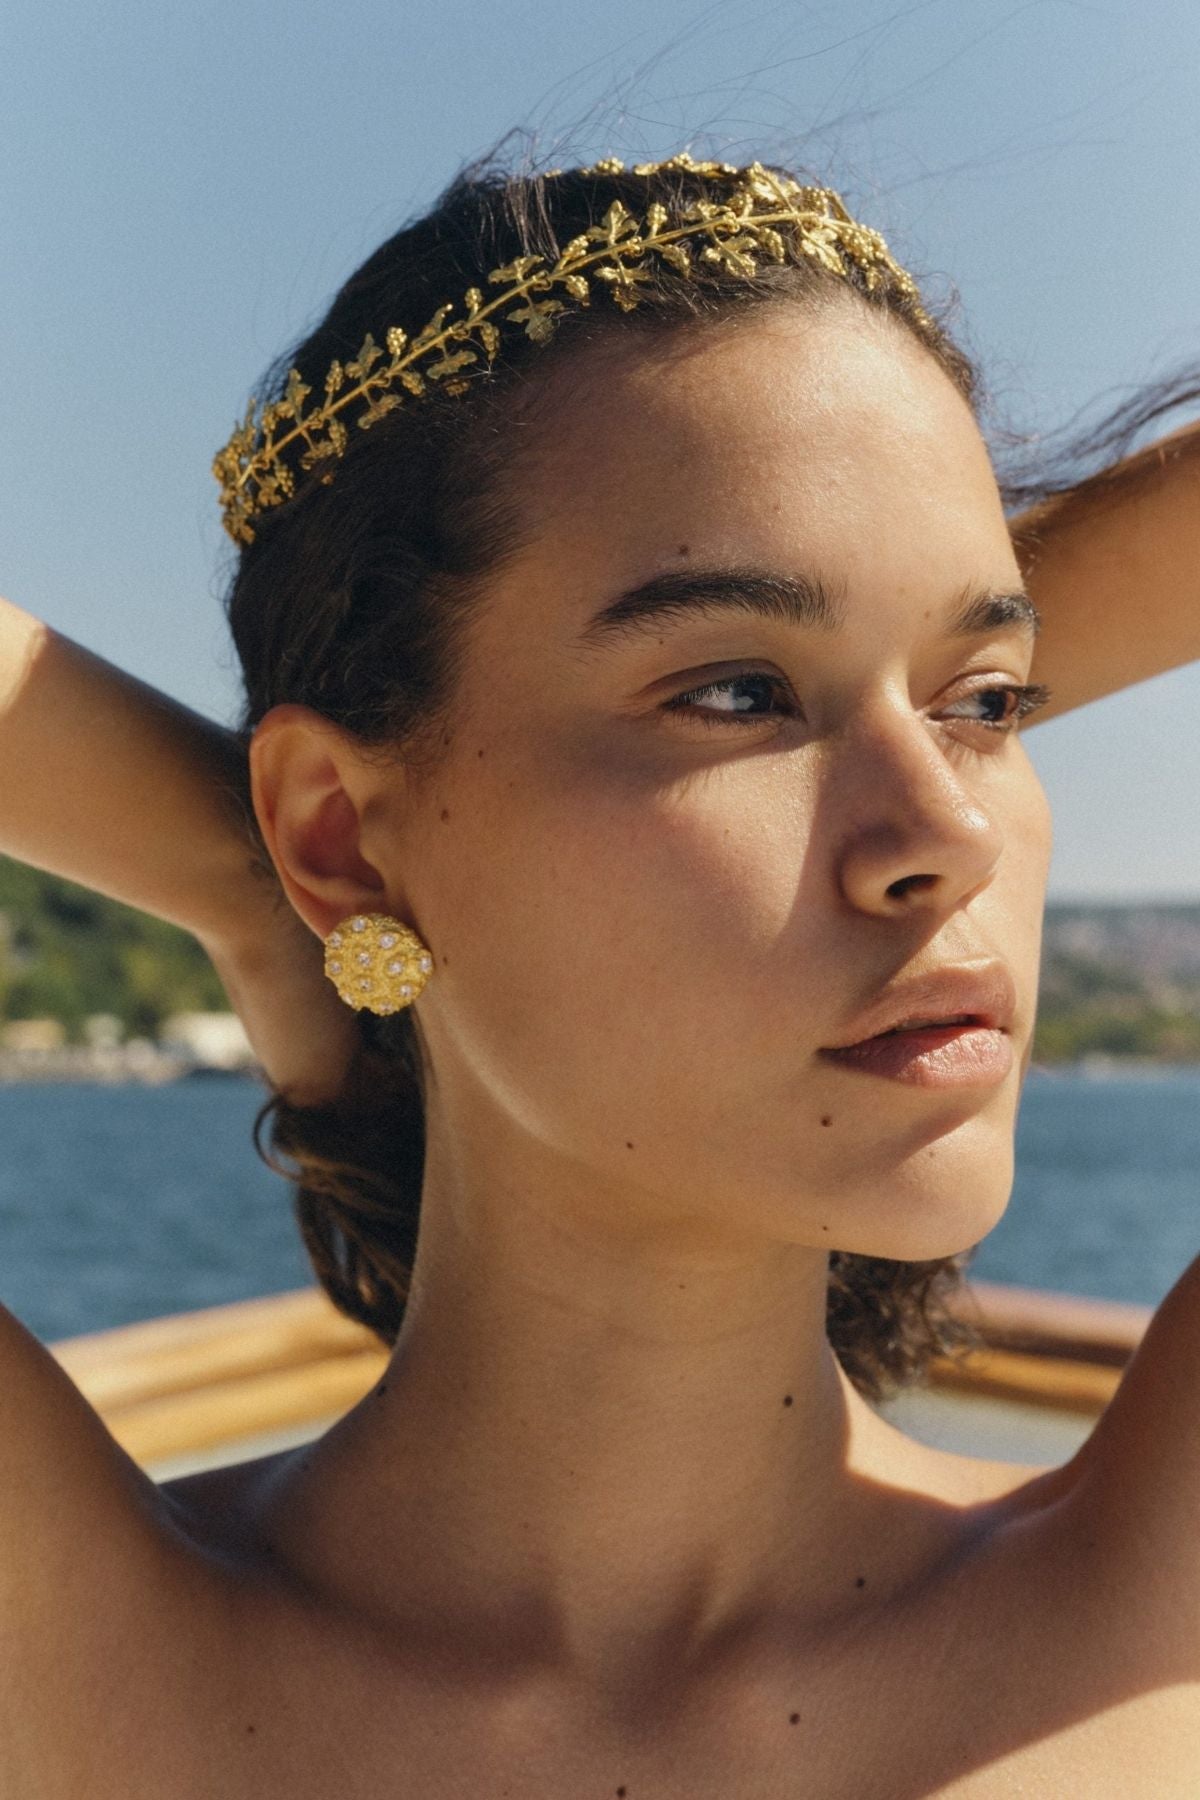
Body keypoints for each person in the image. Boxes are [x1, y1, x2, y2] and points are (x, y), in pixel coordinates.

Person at [2, 146, 1199, 1796]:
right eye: (732, 695)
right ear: (340, 828)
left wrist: (290, 901)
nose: (947, 833)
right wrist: (246, 868)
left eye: (989, 701)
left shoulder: (1164, 1596)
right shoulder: (71, 1639)